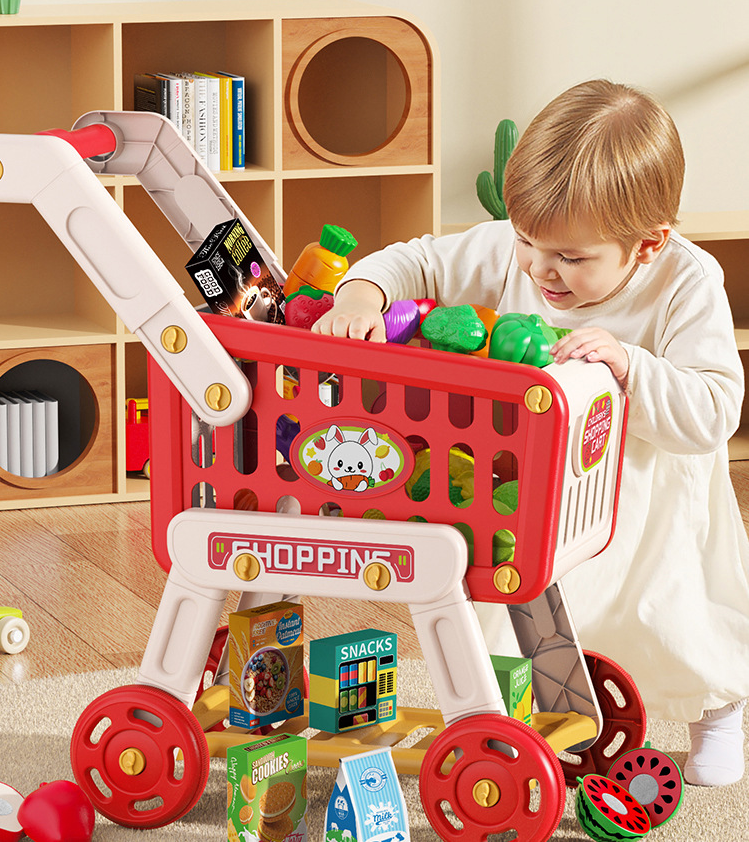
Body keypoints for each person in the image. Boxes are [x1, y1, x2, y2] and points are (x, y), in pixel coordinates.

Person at [313, 79, 749, 787]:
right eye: (526, 242)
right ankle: (512, 718)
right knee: (518, 614)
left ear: (648, 244)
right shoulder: (515, 248)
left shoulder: (686, 280)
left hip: (648, 498)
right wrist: (363, 294)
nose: (541, 268)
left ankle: (716, 711)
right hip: (538, 489)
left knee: (671, 616)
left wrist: (629, 366)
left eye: (572, 259)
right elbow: (416, 259)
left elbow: (714, 409)